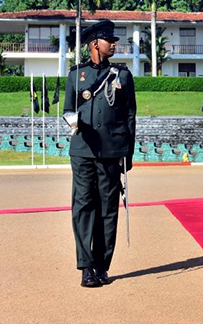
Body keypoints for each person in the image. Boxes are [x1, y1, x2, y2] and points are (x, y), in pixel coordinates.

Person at [63, 20, 136, 287]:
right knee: (83, 206)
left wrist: (128, 153)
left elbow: (130, 115)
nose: (114, 44)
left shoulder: (123, 76)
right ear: (95, 44)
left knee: (108, 209)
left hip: (111, 151)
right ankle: (85, 267)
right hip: (83, 150)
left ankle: (101, 265)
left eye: (114, 40)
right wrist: (72, 121)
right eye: (109, 40)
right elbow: (67, 109)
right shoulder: (76, 75)